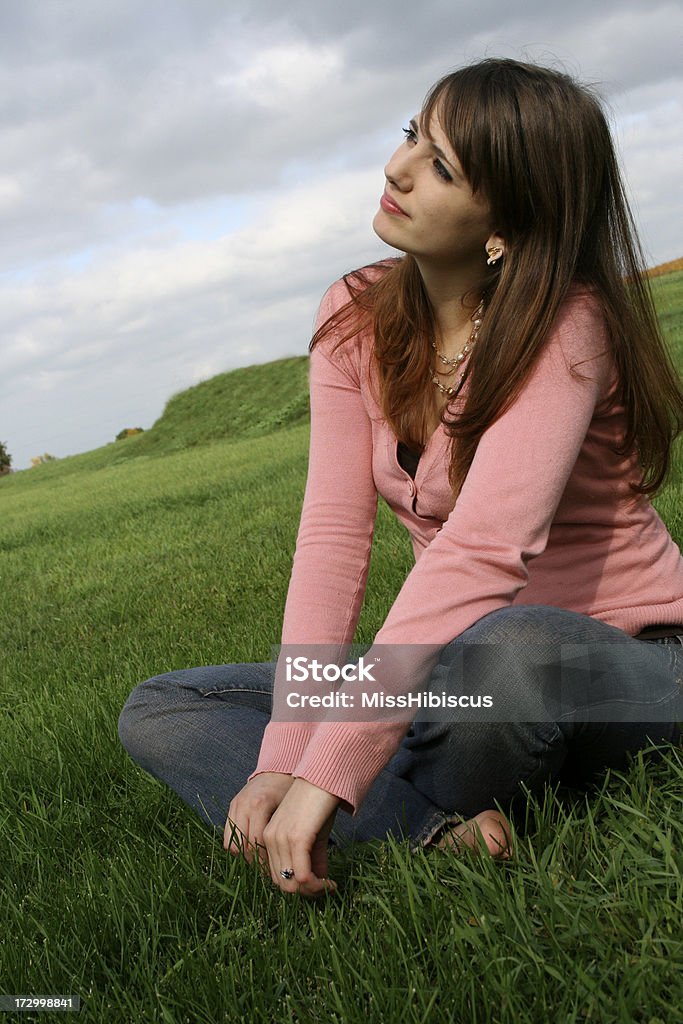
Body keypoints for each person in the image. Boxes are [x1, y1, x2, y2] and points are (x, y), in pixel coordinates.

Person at [118, 58, 683, 898]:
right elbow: (333, 540)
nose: (399, 167)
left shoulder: (568, 323)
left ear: (508, 221)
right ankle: (431, 828)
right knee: (164, 706)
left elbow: (486, 550)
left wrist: (332, 762)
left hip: (623, 665)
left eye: (444, 166)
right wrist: (285, 756)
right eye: (414, 134)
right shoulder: (351, 313)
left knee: (510, 652)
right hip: (460, 677)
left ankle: (384, 793)